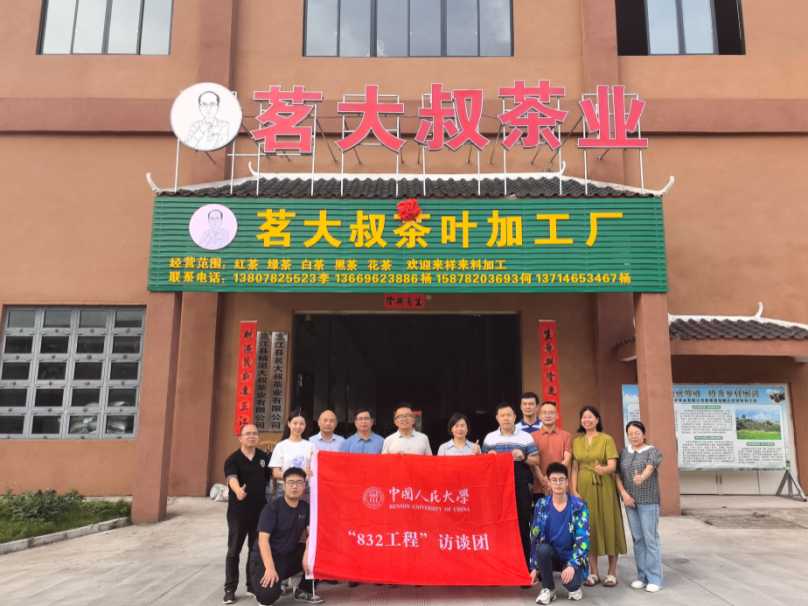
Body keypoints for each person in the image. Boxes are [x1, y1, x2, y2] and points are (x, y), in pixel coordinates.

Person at [249, 467, 323, 605]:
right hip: (265, 559)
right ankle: (262, 583)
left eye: (299, 482)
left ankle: (304, 591)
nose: (294, 486)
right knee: (268, 597)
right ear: (284, 486)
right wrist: (270, 568)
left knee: (318, 549)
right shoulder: (272, 508)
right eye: (290, 483)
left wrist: (308, 552)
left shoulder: (305, 507)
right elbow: (263, 541)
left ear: (304, 485)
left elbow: (313, 534)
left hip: (287, 557)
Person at [571, 406, 626, 588]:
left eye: (590, 417)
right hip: (584, 488)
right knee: (589, 526)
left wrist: (603, 469)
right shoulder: (577, 441)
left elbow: (613, 465)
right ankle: (594, 572)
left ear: (597, 419)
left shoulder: (606, 439)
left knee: (609, 524)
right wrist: (574, 490)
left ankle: (612, 572)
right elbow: (575, 468)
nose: (587, 420)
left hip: (604, 487)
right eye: (584, 417)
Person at [482, 402, 540, 575]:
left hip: (520, 487)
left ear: (515, 417)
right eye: (502, 415)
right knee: (496, 528)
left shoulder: (525, 437)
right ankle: (498, 568)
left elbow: (536, 460)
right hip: (496, 489)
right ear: (497, 418)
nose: (506, 418)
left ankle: (524, 569)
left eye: (509, 415)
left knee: (522, 527)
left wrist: (523, 457)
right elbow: (481, 464)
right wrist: (488, 457)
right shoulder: (490, 438)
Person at [223, 424, 272, 604]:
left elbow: (270, 477)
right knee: (233, 551)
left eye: (255, 434)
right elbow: (231, 477)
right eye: (247, 434)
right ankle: (230, 588)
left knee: (255, 551)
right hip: (238, 512)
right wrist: (237, 490)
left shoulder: (263, 457)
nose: (252, 436)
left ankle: (251, 585)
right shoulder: (233, 459)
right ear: (240, 438)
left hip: (259, 513)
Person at [529, 462, 589, 603]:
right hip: (552, 555)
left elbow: (583, 541)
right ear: (549, 482)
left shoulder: (578, 506)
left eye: (562, 479)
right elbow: (535, 538)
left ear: (567, 482)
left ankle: (574, 584)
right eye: (554, 480)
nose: (558, 483)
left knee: (572, 586)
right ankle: (548, 588)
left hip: (571, 555)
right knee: (542, 549)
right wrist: (533, 568)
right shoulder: (542, 505)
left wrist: (572, 565)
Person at [616, 421, 664, 593]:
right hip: (630, 501)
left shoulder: (652, 451)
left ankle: (655, 578)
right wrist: (624, 494)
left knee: (650, 539)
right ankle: (642, 576)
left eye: (637, 433)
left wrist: (641, 477)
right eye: (630, 433)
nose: (633, 436)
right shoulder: (624, 452)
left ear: (644, 434)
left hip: (648, 500)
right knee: (638, 539)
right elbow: (618, 475)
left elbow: (650, 468)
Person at [339, 408, 384, 588]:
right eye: (360, 419)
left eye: (367, 418)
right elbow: (341, 468)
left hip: (376, 495)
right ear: (355, 422)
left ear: (372, 421)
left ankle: (377, 572)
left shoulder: (382, 442)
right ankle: (354, 573)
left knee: (376, 533)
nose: (364, 421)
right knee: (355, 533)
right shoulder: (347, 443)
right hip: (354, 495)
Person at [270, 410, 315, 502]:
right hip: (285, 488)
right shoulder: (280, 446)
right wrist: (300, 474)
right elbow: (276, 473)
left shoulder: (311, 446)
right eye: (295, 423)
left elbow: (314, 470)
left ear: (305, 425)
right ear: (288, 424)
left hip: (304, 489)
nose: (298, 426)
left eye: (301, 424)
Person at [531, 402, 573, 503]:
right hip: (540, 487)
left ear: (557, 416)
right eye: (544, 413)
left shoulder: (566, 436)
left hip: (561, 486)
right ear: (540, 416)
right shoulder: (532, 436)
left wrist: (551, 479)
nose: (547, 415)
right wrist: (544, 482)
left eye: (551, 413)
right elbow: (533, 463)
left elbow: (567, 461)